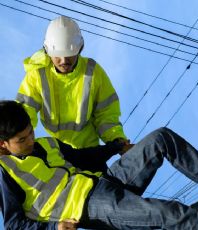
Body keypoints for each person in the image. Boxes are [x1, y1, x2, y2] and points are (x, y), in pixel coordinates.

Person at [0, 100, 198, 230]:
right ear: (3, 144)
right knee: (169, 214)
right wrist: (54, 228)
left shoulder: (46, 144)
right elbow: (13, 224)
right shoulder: (5, 173)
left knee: (160, 137)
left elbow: (83, 158)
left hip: (106, 180)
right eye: (23, 139)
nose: (31, 140)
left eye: (31, 132)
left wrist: (117, 148)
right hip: (92, 209)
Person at [16, 15, 128, 155]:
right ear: (47, 51)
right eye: (57, 55)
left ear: (80, 49)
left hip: (90, 152)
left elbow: (106, 115)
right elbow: (24, 113)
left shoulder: (92, 72)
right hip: (58, 152)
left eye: (69, 54)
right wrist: (13, 141)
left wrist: (117, 141)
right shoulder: (37, 76)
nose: (63, 61)